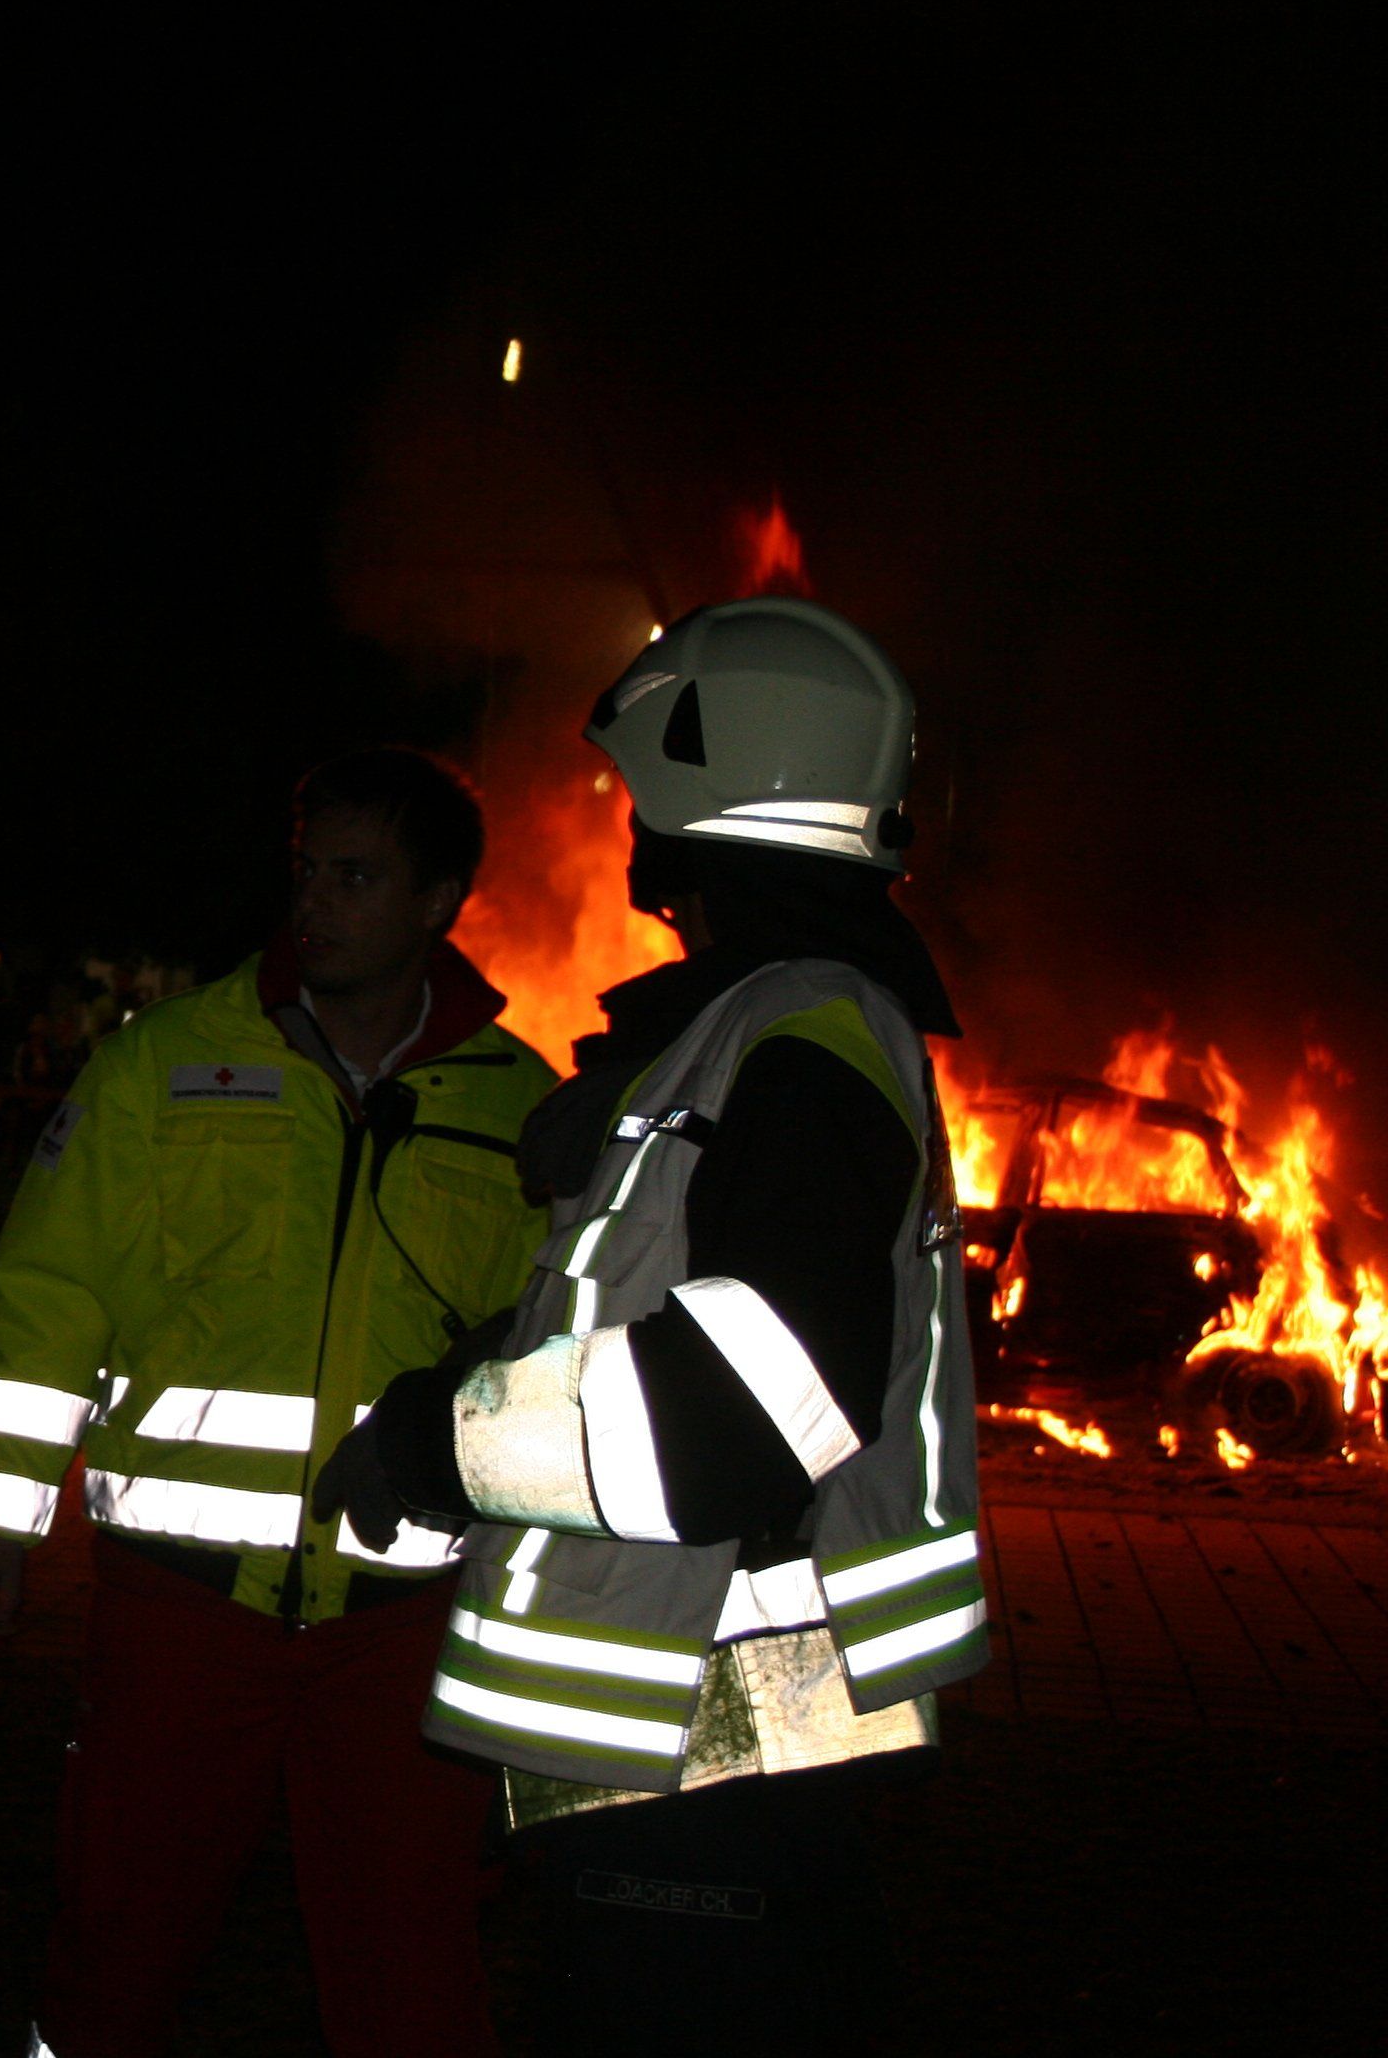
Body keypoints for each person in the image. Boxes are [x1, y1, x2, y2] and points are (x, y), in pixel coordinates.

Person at [315, 598, 985, 2057]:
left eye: (637, 792)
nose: (627, 828)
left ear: (708, 785)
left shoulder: (801, 1041)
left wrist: (436, 1445)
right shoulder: (761, 1026)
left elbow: (743, 1411)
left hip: (714, 1751)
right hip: (700, 1745)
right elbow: (647, 1308)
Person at [0, 747, 559, 2058]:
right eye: (307, 871)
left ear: (440, 901)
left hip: (409, 1623)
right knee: (116, 1945)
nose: (315, 903)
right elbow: (51, 1296)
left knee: (415, 1968)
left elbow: (546, 1351)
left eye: (357, 877)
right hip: (178, 1608)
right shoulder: (161, 1064)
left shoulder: (524, 1107)